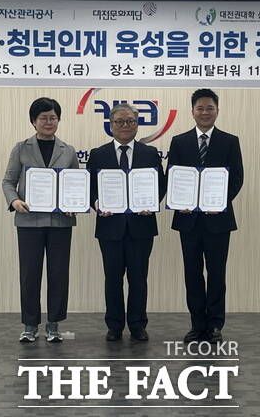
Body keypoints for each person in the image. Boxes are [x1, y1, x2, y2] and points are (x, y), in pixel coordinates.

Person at [167, 89, 244, 344]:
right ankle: (197, 324)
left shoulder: (230, 141)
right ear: (192, 111)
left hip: (218, 220)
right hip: (188, 220)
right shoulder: (179, 142)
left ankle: (215, 325)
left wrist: (220, 202)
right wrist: (179, 201)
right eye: (200, 108)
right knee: (192, 273)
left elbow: (237, 178)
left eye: (210, 108)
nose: (205, 112)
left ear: (217, 110)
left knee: (217, 273)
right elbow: (173, 177)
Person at [86, 103, 166, 342]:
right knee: (112, 279)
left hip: (141, 226)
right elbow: (89, 188)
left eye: (130, 121)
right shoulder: (98, 154)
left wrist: (152, 203)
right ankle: (114, 326)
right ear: (111, 125)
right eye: (119, 121)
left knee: (138, 279)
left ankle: (138, 325)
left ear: (137, 124)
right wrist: (97, 204)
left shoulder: (150, 153)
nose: (125, 126)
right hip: (110, 226)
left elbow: (161, 185)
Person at [2, 97, 79, 343]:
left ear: (59, 120)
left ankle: (53, 325)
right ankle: (30, 325)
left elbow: (76, 185)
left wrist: (74, 204)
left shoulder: (68, 151)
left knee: (59, 274)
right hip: (29, 222)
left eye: (53, 117)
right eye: (43, 118)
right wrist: (15, 201)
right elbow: (8, 181)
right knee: (30, 274)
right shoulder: (21, 148)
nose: (48, 122)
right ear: (33, 121)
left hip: (60, 223)